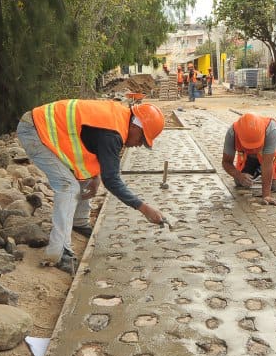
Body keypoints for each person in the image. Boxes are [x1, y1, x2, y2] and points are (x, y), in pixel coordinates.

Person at [16, 100, 166, 274]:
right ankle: (58, 253)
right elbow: (112, 180)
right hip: (35, 131)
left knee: (82, 177)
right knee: (68, 186)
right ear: (136, 127)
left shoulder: (119, 118)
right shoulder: (113, 134)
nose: (139, 144)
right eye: (142, 139)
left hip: (48, 130)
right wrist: (144, 208)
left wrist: (94, 177)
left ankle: (78, 222)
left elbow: (92, 142)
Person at [221, 112, 276, 205]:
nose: (254, 148)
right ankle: (258, 172)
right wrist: (239, 175)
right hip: (249, 155)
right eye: (250, 145)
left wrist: (266, 196)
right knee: (239, 182)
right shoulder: (232, 133)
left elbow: (267, 164)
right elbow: (226, 162)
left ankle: (261, 172)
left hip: (275, 152)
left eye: (255, 145)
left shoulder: (270, 129)